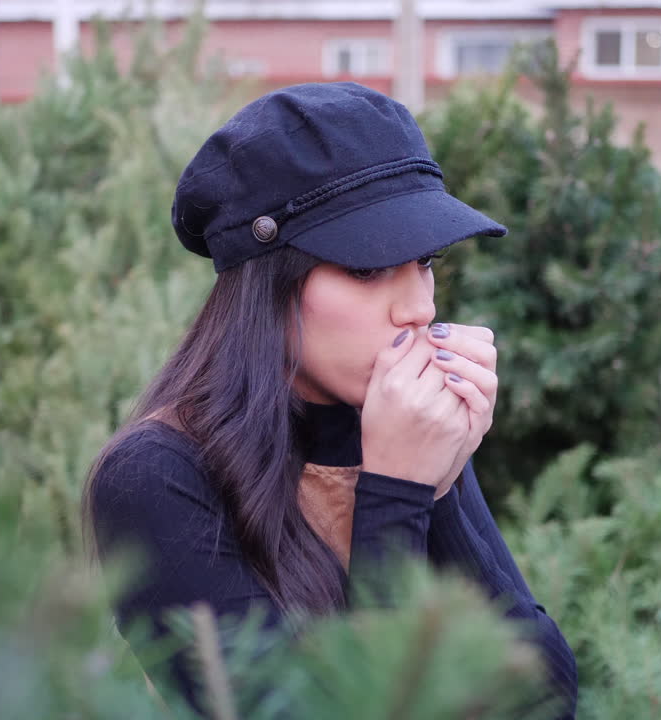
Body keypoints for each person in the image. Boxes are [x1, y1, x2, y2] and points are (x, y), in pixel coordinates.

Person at [82, 82, 577, 717]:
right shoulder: (156, 476)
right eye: (367, 269)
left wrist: (439, 487)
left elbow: (544, 702)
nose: (419, 307)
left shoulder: (397, 427)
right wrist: (398, 495)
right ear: (271, 284)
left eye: (425, 261)